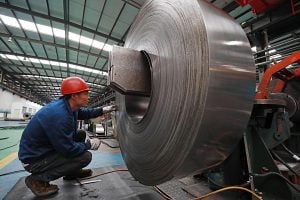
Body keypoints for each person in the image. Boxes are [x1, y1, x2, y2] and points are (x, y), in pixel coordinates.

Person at [18, 77, 116, 197]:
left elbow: (85, 113)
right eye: (85, 93)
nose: (88, 96)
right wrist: (88, 144)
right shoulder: (60, 116)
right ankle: (38, 180)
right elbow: (68, 150)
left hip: (43, 150)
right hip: (34, 160)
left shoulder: (69, 106)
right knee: (85, 157)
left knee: (79, 134)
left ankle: (72, 172)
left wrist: (103, 110)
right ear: (74, 96)